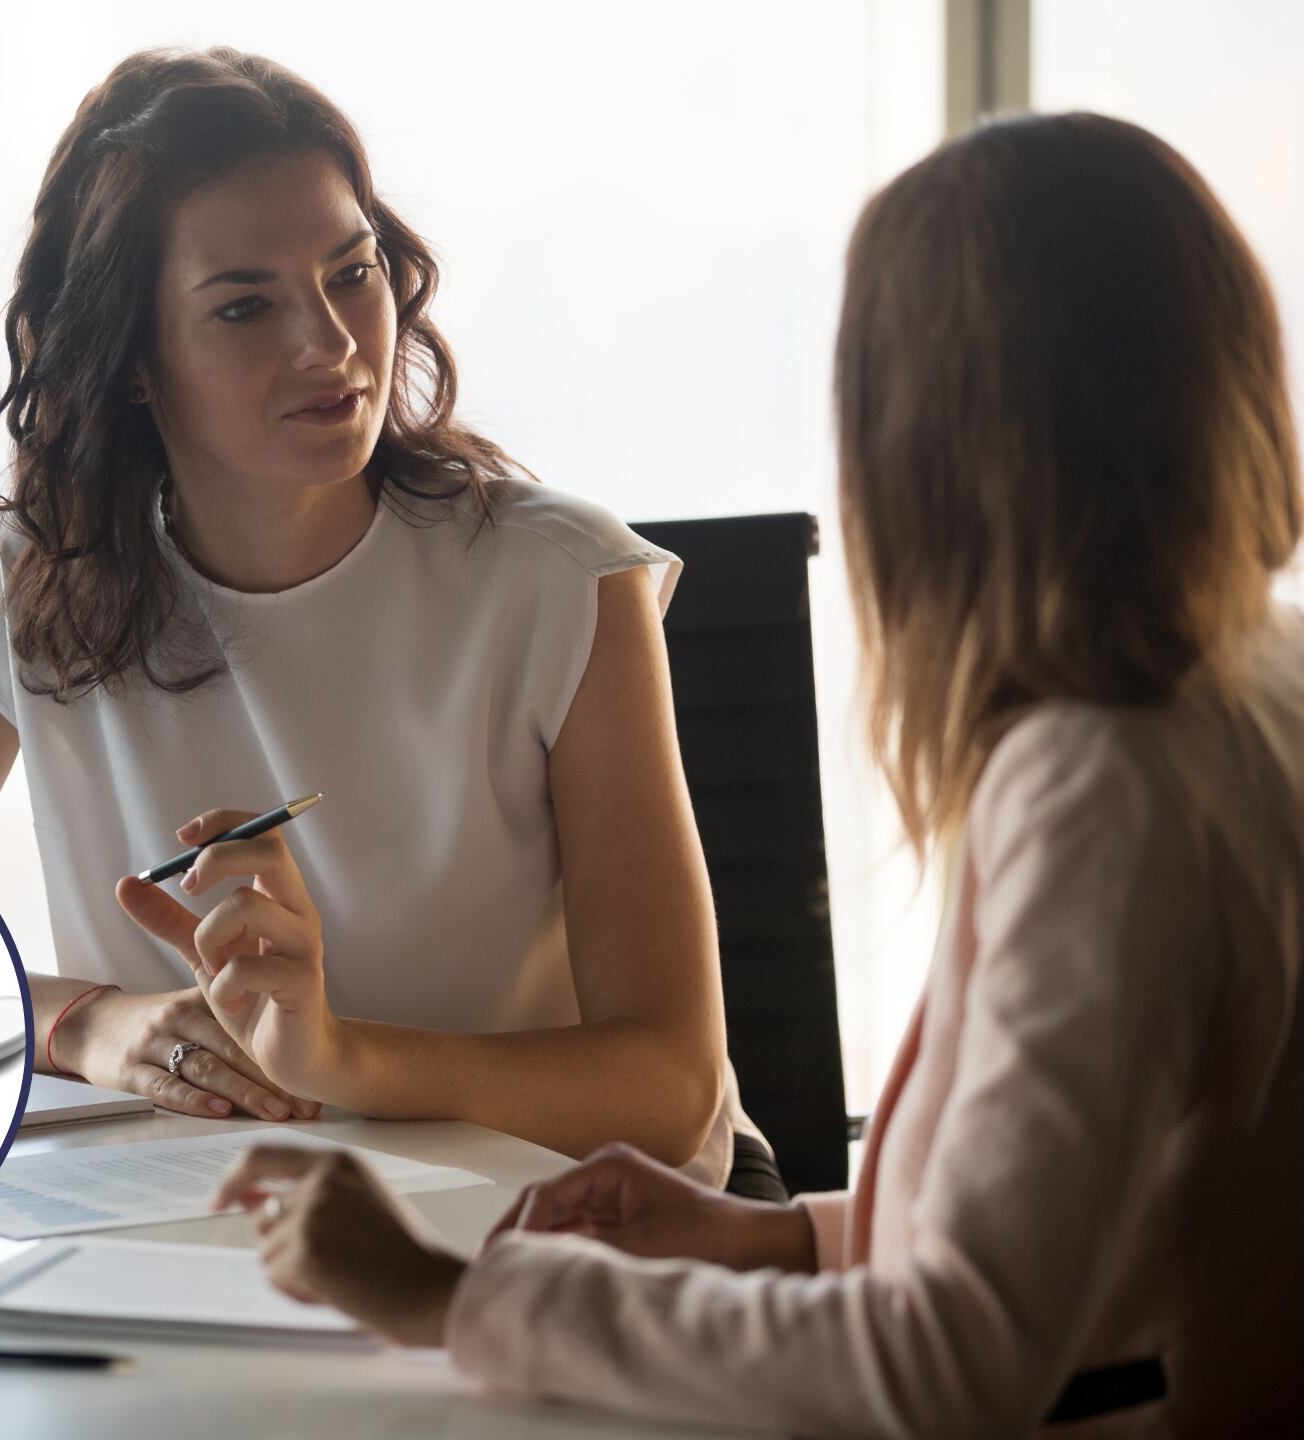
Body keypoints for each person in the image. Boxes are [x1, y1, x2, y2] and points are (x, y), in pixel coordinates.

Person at [210, 112, 1304, 1435]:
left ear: (927, 443)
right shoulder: (1257, 679)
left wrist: (442, 1298)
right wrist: (773, 1245)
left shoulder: (1098, 786)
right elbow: (1108, 1243)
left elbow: (940, 1368)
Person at [0, 46, 773, 1185]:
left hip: (571, 1217)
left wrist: (339, 1059)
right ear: (133, 359)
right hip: (214, 1223)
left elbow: (670, 1094)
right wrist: (83, 1024)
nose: (331, 346)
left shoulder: (559, 581)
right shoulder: (35, 581)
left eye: (353, 273)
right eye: (244, 306)